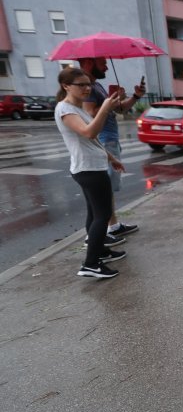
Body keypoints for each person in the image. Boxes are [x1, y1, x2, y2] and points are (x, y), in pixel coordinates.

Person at [55, 67, 127, 279]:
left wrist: (111, 158)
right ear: (66, 86)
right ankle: (91, 264)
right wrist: (104, 108)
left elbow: (93, 140)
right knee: (102, 215)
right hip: (88, 169)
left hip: (92, 166)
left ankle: (100, 251)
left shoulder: (76, 108)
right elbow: (89, 132)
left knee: (94, 214)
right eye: (81, 85)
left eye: (89, 84)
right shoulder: (65, 109)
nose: (87, 88)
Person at [79, 57, 145, 243]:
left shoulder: (97, 85)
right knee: (103, 189)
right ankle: (99, 233)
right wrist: (111, 102)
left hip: (110, 140)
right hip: (103, 140)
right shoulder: (88, 89)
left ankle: (113, 226)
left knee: (108, 188)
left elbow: (120, 110)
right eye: (102, 63)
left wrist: (135, 97)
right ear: (89, 63)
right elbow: (91, 113)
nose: (107, 66)